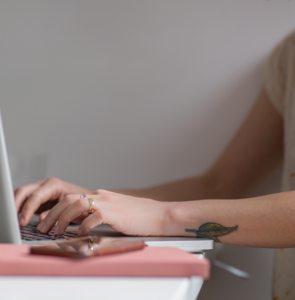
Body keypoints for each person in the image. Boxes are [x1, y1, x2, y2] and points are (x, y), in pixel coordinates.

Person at [15, 29, 295, 299]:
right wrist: (87, 201)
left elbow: (169, 212)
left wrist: (164, 217)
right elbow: (219, 185)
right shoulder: (290, 54)